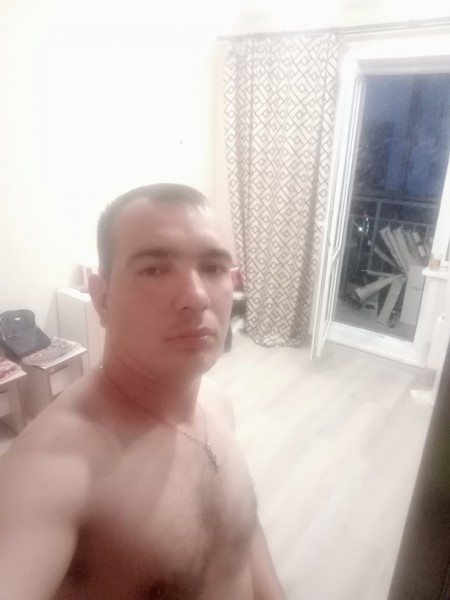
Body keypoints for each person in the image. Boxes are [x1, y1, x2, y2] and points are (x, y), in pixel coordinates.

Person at [0, 184, 285, 600]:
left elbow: (242, 537)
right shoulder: (52, 472)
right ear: (102, 298)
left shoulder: (217, 403)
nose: (196, 297)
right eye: (155, 269)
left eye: (213, 267)